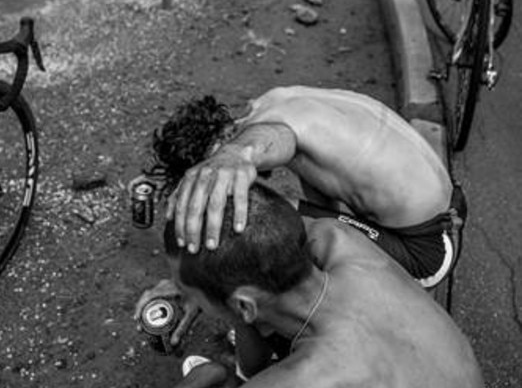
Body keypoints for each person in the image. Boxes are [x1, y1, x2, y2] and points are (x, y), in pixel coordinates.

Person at [152, 182, 487, 388]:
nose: (184, 298)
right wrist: (208, 290)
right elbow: (262, 239)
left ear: (244, 305)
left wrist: (201, 379)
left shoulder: (306, 382)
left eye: (186, 291)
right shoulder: (336, 239)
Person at [154, 86, 466, 289]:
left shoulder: (267, 132)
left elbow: (275, 137)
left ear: (218, 148)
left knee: (264, 214)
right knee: (290, 216)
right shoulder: (272, 100)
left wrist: (237, 154)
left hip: (426, 250)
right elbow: (323, 193)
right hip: (442, 203)